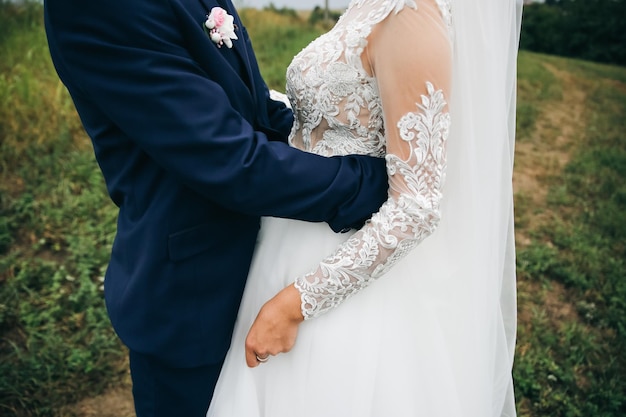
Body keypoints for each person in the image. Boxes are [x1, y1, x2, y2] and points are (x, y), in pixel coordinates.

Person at [43, 0, 391, 415]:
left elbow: (255, 109)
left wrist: (339, 140)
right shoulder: (96, 9)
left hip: (267, 268)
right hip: (193, 298)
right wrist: (379, 182)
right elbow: (229, 158)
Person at [207, 0, 522, 416]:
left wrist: (296, 303)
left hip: (341, 269)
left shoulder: (411, 13)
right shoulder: (371, 5)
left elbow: (417, 207)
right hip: (288, 242)